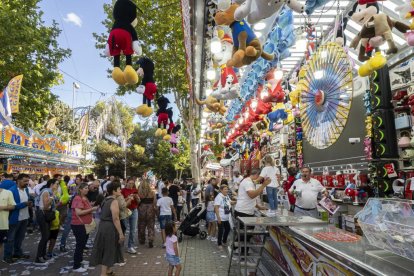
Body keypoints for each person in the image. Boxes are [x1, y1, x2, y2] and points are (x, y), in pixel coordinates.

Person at [90, 182, 124, 276]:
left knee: (107, 248)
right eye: (118, 189)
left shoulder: (105, 199)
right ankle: (103, 274)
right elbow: (115, 218)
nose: (120, 190)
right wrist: (121, 233)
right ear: (114, 191)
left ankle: (108, 271)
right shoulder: (114, 201)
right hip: (109, 227)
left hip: (103, 226)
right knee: (108, 249)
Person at [234, 169, 270, 254]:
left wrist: (258, 206)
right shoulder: (248, 182)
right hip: (243, 212)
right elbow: (252, 195)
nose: (260, 180)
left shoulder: (250, 182)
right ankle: (243, 255)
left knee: (245, 235)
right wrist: (263, 185)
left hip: (245, 211)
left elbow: (250, 199)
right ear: (257, 174)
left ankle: (237, 249)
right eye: (261, 178)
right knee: (246, 235)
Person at [4, 174, 32, 263]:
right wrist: (25, 204)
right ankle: (7, 256)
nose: (27, 183)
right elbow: (10, 206)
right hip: (14, 218)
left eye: (27, 181)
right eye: (25, 181)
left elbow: (27, 200)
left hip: (24, 217)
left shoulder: (26, 189)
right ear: (18, 180)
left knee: (20, 237)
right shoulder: (11, 191)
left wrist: (30, 203)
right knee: (10, 238)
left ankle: (17, 253)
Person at [71, 183, 98, 272]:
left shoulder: (84, 198)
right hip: (79, 225)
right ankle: (76, 266)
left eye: (87, 188)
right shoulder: (78, 198)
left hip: (84, 225)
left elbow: (85, 207)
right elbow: (79, 212)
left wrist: (92, 205)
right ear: (81, 189)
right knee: (80, 244)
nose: (87, 189)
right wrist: (92, 209)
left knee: (82, 244)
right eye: (85, 188)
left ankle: (80, 260)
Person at [35, 178, 59, 263]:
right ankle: (39, 257)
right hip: (43, 214)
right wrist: (52, 197)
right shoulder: (46, 192)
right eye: (56, 184)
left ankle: (43, 254)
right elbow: (45, 206)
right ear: (51, 184)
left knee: (47, 235)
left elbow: (52, 205)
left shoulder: (50, 192)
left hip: (47, 215)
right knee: (45, 236)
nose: (57, 185)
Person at [59, 174, 83, 252]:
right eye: (76, 179)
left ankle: (81, 244)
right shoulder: (73, 187)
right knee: (67, 229)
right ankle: (62, 245)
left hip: (80, 211)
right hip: (72, 210)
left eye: (78, 179)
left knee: (81, 230)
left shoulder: (84, 189)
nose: (77, 180)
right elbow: (69, 196)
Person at [121, 177, 140, 254]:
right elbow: (121, 202)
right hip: (125, 210)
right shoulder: (123, 191)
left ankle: (130, 246)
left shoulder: (135, 190)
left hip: (134, 210)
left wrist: (137, 198)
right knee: (124, 228)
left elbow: (138, 202)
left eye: (133, 183)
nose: (131, 185)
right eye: (130, 183)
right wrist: (128, 198)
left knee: (133, 229)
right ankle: (120, 245)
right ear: (126, 182)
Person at [137, 178, 156, 248]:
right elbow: (155, 203)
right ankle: (150, 239)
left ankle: (142, 239)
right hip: (150, 209)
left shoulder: (139, 193)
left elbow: (138, 202)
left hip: (142, 209)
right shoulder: (152, 192)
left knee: (141, 225)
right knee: (151, 225)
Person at [214, 185, 233, 249]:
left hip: (226, 217)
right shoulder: (218, 197)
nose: (226, 190)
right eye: (225, 189)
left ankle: (224, 241)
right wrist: (218, 217)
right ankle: (219, 243)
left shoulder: (226, 196)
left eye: (227, 189)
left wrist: (238, 201)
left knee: (228, 229)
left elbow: (230, 202)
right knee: (221, 231)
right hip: (221, 217)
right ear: (221, 190)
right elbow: (216, 207)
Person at [0, 186, 15, 255]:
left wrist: (2, 207)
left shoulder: (8, 192)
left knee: (0, 244)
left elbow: (13, 206)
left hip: (2, 224)